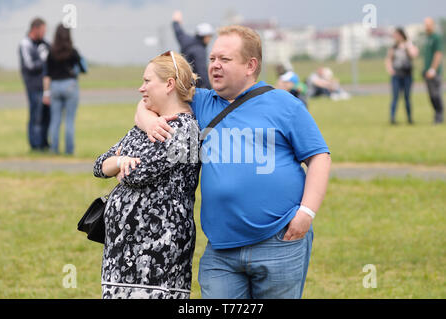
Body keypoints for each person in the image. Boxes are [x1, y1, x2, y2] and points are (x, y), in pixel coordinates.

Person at [135, 25, 331, 299]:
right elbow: (150, 98)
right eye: (213, 58)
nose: (214, 65)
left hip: (279, 240)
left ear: (250, 65)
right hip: (222, 250)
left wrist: (306, 213)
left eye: (224, 60)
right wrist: (150, 121)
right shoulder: (201, 102)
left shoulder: (284, 104)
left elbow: (319, 157)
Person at [93, 51, 201, 299]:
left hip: (157, 254)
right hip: (121, 254)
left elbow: (137, 174)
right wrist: (120, 161)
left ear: (169, 84)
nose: (141, 89)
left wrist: (121, 165)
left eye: (147, 81)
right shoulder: (148, 125)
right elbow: (100, 165)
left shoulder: (185, 130)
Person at [42, 24, 87, 155]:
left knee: (55, 120)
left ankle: (54, 149)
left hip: (55, 86)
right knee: (69, 121)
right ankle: (69, 151)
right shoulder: (72, 51)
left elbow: (47, 74)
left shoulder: (51, 52)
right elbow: (83, 68)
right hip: (70, 85)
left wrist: (46, 93)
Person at [19, 17, 50, 151]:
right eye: (42, 31)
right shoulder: (25, 44)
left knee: (46, 116)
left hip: (45, 87)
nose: (44, 33)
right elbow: (29, 65)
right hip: (33, 86)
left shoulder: (43, 43)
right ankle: (35, 146)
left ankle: (44, 143)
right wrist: (42, 60)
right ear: (35, 29)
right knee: (36, 116)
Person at [172, 10, 214, 89]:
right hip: (193, 87)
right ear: (204, 36)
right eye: (209, 36)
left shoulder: (186, 40)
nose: (210, 39)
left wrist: (175, 22)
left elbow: (178, 32)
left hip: (182, 82)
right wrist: (210, 89)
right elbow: (202, 72)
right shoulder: (200, 51)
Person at [385, 27, 419, 125]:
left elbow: (414, 55)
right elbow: (388, 59)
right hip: (397, 75)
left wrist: (406, 47)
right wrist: (390, 69)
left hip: (407, 74)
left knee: (407, 97)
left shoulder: (408, 45)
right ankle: (392, 118)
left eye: (397, 35)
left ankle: (409, 118)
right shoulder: (393, 47)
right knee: (395, 97)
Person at [423, 17, 444, 124]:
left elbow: (438, 54)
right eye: (425, 24)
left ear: (432, 25)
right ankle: (436, 115)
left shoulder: (436, 37)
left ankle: (439, 115)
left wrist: (433, 69)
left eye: (428, 24)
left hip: (434, 73)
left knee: (436, 95)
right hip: (426, 72)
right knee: (431, 96)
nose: (426, 26)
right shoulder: (427, 38)